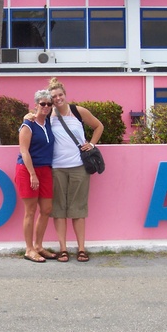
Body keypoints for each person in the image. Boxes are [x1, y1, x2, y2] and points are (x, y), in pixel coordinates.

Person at [47, 77, 104, 262]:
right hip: (57, 168)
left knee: (78, 210)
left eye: (60, 94)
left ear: (65, 94)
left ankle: (81, 249)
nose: (57, 98)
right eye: (54, 96)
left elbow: (98, 126)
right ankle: (63, 249)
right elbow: (31, 120)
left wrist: (92, 144)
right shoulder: (49, 115)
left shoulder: (77, 111)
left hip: (79, 167)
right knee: (59, 210)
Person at [16, 89, 56, 263]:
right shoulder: (28, 124)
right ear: (36, 104)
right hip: (28, 170)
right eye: (42, 104)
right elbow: (24, 151)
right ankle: (29, 249)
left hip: (45, 169)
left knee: (46, 209)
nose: (46, 107)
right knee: (30, 211)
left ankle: (39, 246)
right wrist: (32, 174)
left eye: (49, 104)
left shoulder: (48, 123)